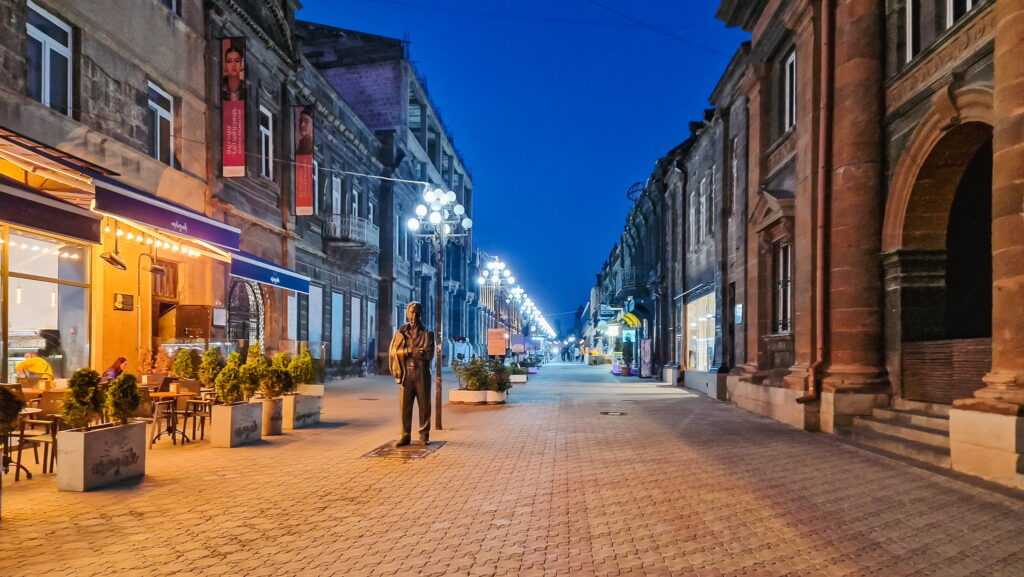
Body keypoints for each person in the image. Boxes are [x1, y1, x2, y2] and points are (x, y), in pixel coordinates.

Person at [388, 302, 435, 446]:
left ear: (421, 314)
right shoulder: (401, 333)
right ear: (407, 314)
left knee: (424, 405)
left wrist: (413, 351)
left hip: (422, 374)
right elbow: (393, 351)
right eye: (411, 313)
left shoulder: (427, 333)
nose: (414, 316)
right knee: (405, 407)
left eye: (417, 313)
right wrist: (411, 351)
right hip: (406, 374)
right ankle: (405, 434)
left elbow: (428, 355)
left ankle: (423, 434)